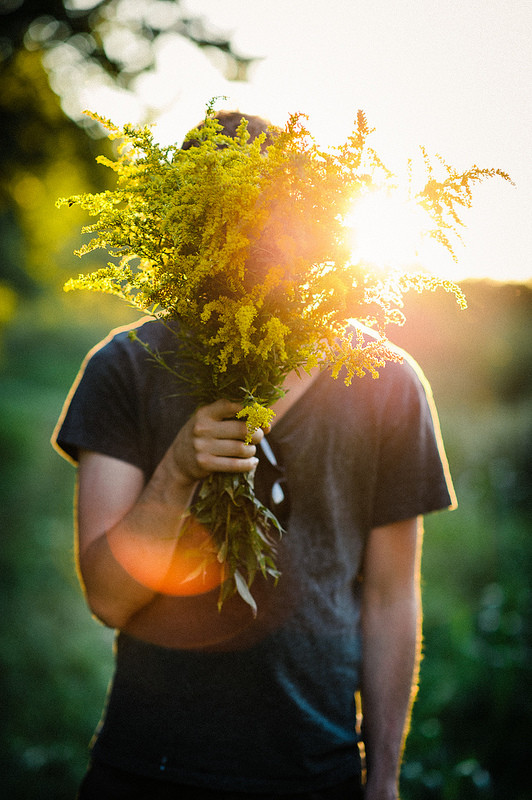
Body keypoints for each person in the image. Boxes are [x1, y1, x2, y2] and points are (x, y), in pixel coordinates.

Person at [53, 112, 455, 800]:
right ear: (183, 234)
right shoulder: (126, 366)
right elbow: (109, 600)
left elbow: (390, 597)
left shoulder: (387, 383)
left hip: (316, 771)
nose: (251, 246)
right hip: (148, 769)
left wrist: (383, 777)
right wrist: (178, 471)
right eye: (219, 224)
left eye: (272, 216)